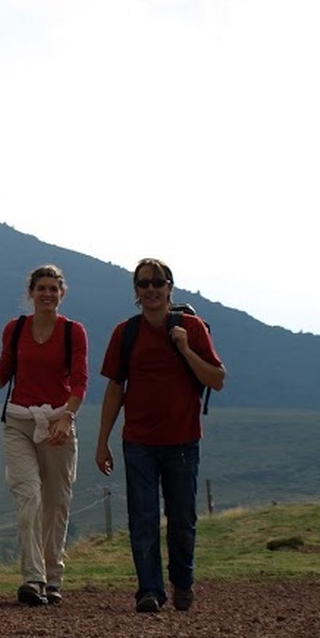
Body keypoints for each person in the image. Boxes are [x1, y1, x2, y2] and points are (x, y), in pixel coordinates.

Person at [93, 259, 226, 614]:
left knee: (182, 520)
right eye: (143, 284)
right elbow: (114, 389)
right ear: (136, 291)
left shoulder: (193, 328)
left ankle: (183, 583)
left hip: (183, 440)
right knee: (143, 517)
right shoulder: (126, 333)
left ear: (170, 287)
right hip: (138, 442)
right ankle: (149, 591)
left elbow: (217, 378)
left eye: (157, 282)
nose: (150, 289)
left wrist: (185, 349)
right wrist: (102, 440)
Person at [0, 264, 88, 606]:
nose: (47, 294)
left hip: (58, 423)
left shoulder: (73, 332)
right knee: (29, 497)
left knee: (57, 503)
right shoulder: (15, 329)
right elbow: (5, 371)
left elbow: (79, 380)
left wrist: (67, 418)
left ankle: (54, 578)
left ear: (61, 294)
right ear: (31, 293)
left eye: (54, 289)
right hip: (19, 421)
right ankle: (32, 579)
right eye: (41, 289)